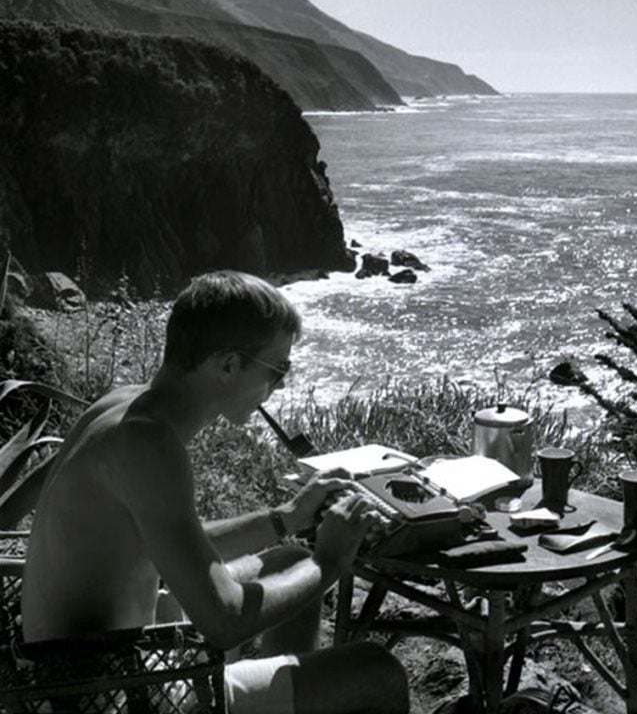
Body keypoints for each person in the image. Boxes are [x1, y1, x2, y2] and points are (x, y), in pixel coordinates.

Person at [21, 270, 409, 714]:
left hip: (69, 670)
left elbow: (167, 540)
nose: (280, 385)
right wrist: (331, 560)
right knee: (377, 672)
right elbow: (224, 622)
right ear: (227, 365)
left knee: (288, 561)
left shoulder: (124, 406)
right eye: (278, 369)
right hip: (105, 695)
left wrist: (285, 517)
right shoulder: (149, 446)